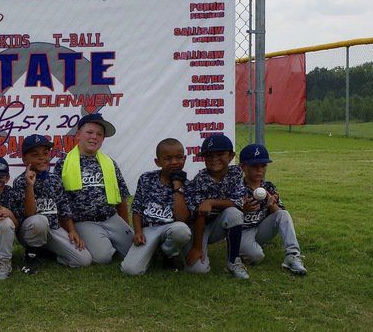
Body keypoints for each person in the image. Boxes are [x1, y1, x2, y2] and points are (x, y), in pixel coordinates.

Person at [53, 113, 133, 264]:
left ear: (103, 139)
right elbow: (60, 202)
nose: (94, 137)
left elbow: (121, 196)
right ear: (78, 135)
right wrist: (70, 230)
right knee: (103, 258)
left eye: (99, 134)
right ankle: (100, 245)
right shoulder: (64, 163)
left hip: (110, 217)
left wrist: (125, 225)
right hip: (84, 221)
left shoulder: (110, 163)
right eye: (89, 132)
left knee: (134, 250)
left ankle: (109, 241)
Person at [13, 134, 92, 274]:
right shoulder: (20, 181)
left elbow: (64, 208)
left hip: (53, 228)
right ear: (25, 159)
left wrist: (72, 230)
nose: (42, 157)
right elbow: (29, 214)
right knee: (39, 221)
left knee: (84, 260)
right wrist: (30, 185)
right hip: (30, 231)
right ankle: (31, 256)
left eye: (45, 153)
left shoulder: (54, 179)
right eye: (35, 154)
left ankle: (48, 253)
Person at [120, 138, 192, 275]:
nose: (175, 162)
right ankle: (153, 252)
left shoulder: (187, 185)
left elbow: (182, 219)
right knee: (130, 270)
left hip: (171, 228)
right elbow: (137, 209)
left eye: (179, 157)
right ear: (157, 162)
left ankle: (169, 254)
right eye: (168, 158)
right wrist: (138, 232)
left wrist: (178, 187)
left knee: (182, 230)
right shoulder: (146, 179)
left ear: (185, 158)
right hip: (149, 230)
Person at [184, 134, 249, 279]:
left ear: (231, 156)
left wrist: (212, 202)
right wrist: (197, 247)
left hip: (220, 223)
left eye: (220, 154)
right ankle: (189, 250)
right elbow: (200, 213)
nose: (214, 159)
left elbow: (238, 201)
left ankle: (233, 261)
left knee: (234, 213)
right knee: (197, 270)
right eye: (209, 155)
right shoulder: (201, 179)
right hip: (199, 226)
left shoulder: (236, 173)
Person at [238, 143, 307, 275]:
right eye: (254, 166)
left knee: (283, 214)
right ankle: (242, 248)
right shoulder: (237, 188)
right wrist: (243, 209)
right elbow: (230, 216)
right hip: (243, 231)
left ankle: (292, 255)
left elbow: (280, 216)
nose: (259, 170)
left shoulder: (268, 187)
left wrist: (272, 205)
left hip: (261, 228)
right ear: (243, 167)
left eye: (263, 166)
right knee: (256, 257)